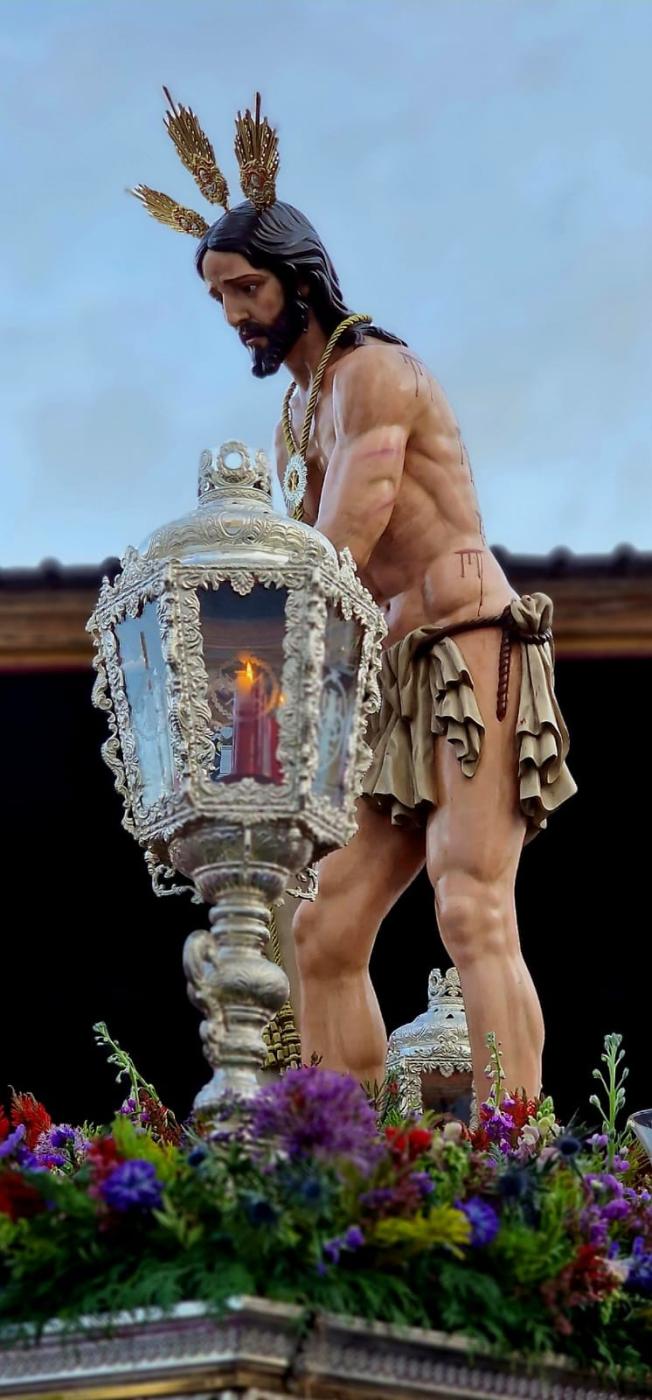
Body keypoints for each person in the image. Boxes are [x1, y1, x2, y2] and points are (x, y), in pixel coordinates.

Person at [133, 91, 576, 1100]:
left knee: (470, 905)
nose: (234, 314)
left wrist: (267, 683)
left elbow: (344, 540)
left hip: (465, 642)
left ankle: (513, 1145)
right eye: (220, 297)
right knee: (320, 927)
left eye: (246, 289)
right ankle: (344, 1153)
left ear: (299, 278)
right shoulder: (298, 411)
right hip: (387, 671)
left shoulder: (375, 372)